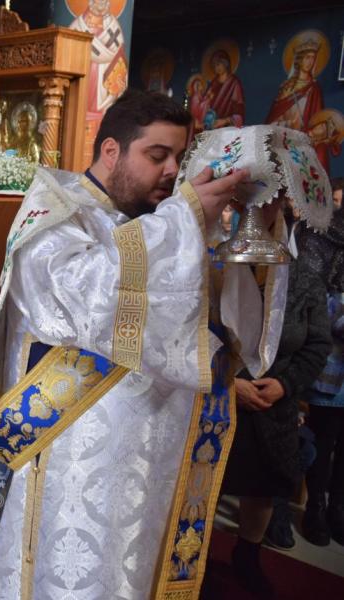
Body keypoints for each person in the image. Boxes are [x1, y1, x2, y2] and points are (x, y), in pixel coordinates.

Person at [0, 90, 283, 599]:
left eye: (178, 157)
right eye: (157, 155)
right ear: (111, 150)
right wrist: (184, 221)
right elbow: (83, 300)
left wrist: (250, 231)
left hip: (157, 448)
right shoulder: (56, 210)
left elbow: (217, 319)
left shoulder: (164, 221)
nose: (171, 171)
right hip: (78, 455)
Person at [222, 251, 330, 596]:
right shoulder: (214, 263)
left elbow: (318, 344)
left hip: (274, 404)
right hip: (215, 399)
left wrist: (286, 385)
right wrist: (226, 383)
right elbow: (185, 332)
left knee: (263, 485)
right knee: (202, 485)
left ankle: (247, 555)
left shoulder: (303, 276)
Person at [299, 208, 344, 547]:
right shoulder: (325, 235)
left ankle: (338, 508)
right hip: (330, 362)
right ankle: (314, 507)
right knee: (325, 437)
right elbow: (313, 301)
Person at [266, 34, 327, 169]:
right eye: (307, 57)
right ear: (299, 60)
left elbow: (318, 119)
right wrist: (288, 124)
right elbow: (272, 121)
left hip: (303, 141)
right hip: (284, 138)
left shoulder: (314, 88)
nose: (310, 61)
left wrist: (314, 131)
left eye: (313, 58)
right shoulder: (286, 88)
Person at [205, 49, 245, 129]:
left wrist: (225, 120)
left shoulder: (234, 83)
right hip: (212, 125)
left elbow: (239, 109)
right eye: (214, 66)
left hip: (227, 127)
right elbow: (206, 102)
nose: (217, 67)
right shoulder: (213, 84)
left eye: (219, 64)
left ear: (225, 63)